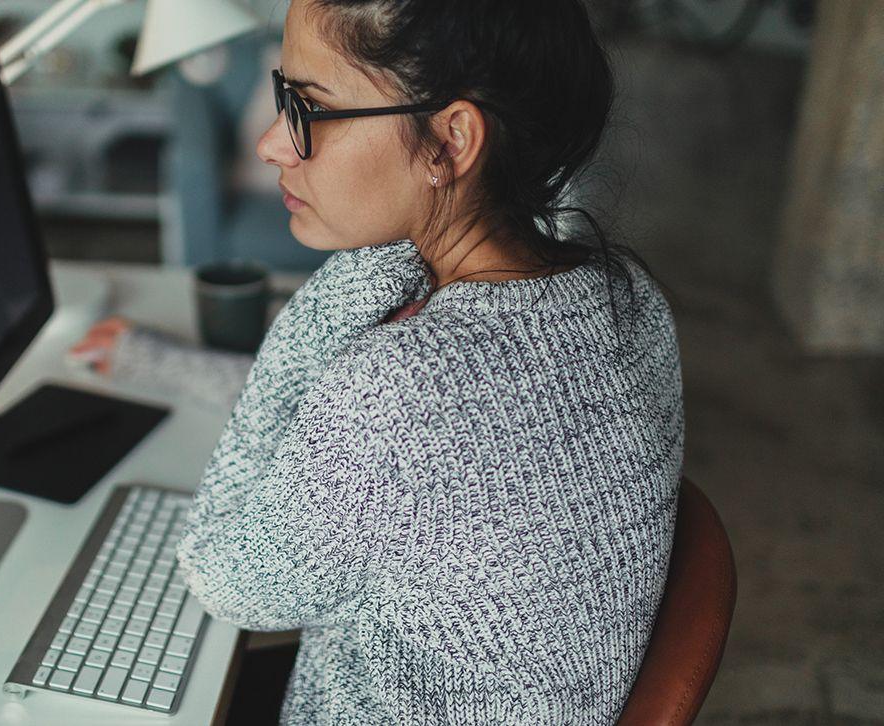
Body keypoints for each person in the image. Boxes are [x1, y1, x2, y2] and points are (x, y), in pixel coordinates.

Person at [74, 0, 684, 722]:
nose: (274, 144)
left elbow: (222, 576)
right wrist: (159, 362)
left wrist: (336, 286)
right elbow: (354, 439)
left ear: (451, 140)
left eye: (308, 108)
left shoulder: (406, 373)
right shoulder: (626, 297)